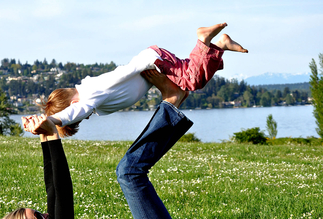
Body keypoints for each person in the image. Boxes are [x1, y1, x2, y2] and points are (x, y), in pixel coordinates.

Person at [0, 72, 194, 219]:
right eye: (38, 217)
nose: (46, 214)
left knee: (129, 171)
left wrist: (44, 135)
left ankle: (172, 102)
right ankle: (171, 101)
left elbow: (53, 190)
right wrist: (54, 136)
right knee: (128, 172)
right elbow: (64, 194)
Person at [35, 22, 247, 137]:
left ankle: (204, 39)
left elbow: (76, 111)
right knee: (192, 79)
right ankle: (219, 46)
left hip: (152, 61)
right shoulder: (91, 89)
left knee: (192, 81)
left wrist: (54, 120)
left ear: (73, 105)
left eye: (81, 119)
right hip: (151, 60)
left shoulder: (90, 97)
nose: (86, 116)